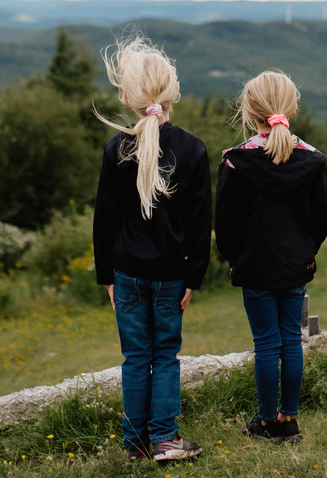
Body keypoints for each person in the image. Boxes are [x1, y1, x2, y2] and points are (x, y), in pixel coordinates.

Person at [92, 36, 211, 462]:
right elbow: (200, 224)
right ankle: (166, 440)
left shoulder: (116, 149)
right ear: (172, 92)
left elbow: (104, 218)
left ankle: (135, 445)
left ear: (126, 96)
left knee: (134, 357)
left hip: (126, 271)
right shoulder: (193, 149)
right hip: (171, 274)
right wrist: (194, 276)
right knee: (165, 356)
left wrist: (105, 273)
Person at [215, 71, 327, 443]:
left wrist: (235, 258)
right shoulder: (311, 161)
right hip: (295, 265)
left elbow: (225, 224)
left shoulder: (236, 162)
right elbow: (319, 224)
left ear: (249, 112)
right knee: (291, 340)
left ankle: (265, 422)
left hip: (255, 266)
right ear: (291, 108)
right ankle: (289, 419)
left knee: (266, 343)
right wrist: (304, 254)